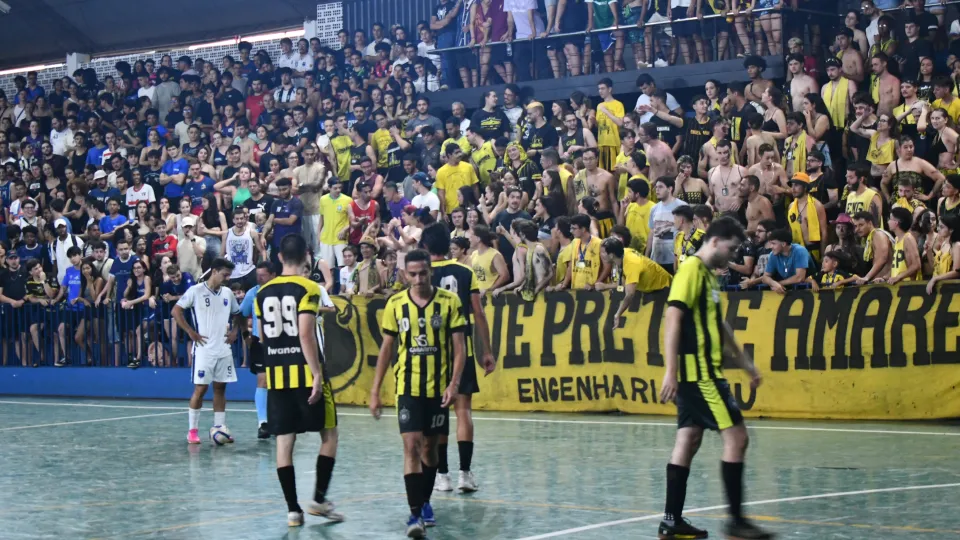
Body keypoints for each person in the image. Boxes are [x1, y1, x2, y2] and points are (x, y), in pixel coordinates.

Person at [658, 217, 773, 540]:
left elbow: (719, 326)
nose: (733, 256)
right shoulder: (691, 271)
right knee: (737, 438)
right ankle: (736, 523)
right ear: (714, 241)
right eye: (731, 248)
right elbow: (673, 317)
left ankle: (671, 521)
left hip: (704, 372)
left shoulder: (708, 277)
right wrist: (671, 371)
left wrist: (746, 364)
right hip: (701, 375)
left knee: (688, 439)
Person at [370, 249, 468, 538]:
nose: (418, 278)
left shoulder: (450, 302)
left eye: (422, 273)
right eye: (412, 274)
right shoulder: (395, 304)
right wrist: (375, 390)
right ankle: (415, 515)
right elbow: (387, 349)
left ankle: (425, 501)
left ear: (431, 272)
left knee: (430, 450)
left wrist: (453, 384)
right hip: (407, 388)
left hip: (438, 389)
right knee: (411, 446)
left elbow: (459, 348)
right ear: (404, 274)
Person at [254, 234, 344, 527]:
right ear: (307, 256)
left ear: (279, 257)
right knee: (329, 434)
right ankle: (318, 499)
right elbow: (305, 333)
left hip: (278, 376)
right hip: (305, 373)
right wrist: (317, 374)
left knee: (284, 441)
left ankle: (293, 510)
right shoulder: (309, 287)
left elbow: (264, 338)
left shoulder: (262, 292)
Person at [419, 223, 496, 494]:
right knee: (463, 411)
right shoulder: (464, 272)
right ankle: (465, 473)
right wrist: (486, 350)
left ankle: (442, 476)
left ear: (426, 247)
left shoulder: (420, 274)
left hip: (430, 353)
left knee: (438, 414)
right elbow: (479, 313)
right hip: (461, 350)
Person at [172, 258, 245, 444]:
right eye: (224, 275)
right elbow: (176, 311)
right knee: (201, 388)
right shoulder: (195, 291)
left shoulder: (227, 293)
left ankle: (219, 427)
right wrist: (190, 332)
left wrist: (235, 331)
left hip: (223, 349)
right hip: (204, 350)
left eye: (229, 275)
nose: (227, 279)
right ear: (214, 271)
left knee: (221, 388)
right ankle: (192, 431)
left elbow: (238, 314)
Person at [598, 236, 671, 328]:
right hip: (653, 289)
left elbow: (630, 294)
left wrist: (618, 314)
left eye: (603, 252)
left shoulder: (632, 264)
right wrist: (606, 286)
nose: (601, 254)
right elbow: (628, 281)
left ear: (612, 255)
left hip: (664, 289)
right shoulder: (623, 253)